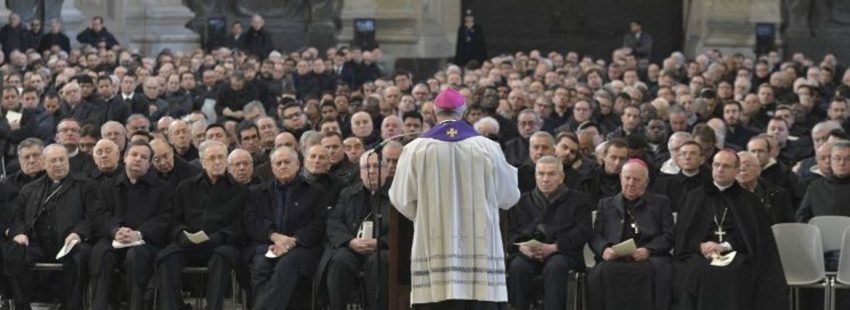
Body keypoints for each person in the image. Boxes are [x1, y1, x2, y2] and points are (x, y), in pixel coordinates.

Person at [389, 88, 520, 309]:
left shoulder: (415, 149)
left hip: (433, 240)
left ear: (433, 112)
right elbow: (509, 196)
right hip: (479, 244)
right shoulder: (488, 147)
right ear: (464, 112)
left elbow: (401, 198)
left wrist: (423, 215)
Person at [674, 150, 787, 310]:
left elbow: (752, 238)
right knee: (696, 269)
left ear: (736, 170)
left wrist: (724, 246)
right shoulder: (694, 197)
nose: (720, 169)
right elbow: (684, 235)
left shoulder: (749, 201)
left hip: (736, 255)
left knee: (737, 270)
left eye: (726, 166)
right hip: (699, 254)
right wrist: (701, 246)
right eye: (717, 165)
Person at [156, 140, 247, 310]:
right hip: (188, 243)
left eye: (221, 157)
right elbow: (175, 220)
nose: (217, 162)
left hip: (221, 244)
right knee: (167, 257)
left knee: (223, 257)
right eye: (212, 158)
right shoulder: (186, 187)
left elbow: (240, 226)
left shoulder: (240, 190)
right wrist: (182, 235)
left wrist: (218, 238)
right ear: (203, 163)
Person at [6, 144, 99, 310]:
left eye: (61, 159)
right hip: (38, 244)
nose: (58, 164)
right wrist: (19, 233)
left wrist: (78, 233)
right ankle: (22, 305)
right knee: (13, 253)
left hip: (69, 243)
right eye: (52, 160)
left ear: (68, 161)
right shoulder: (29, 189)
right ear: (44, 164)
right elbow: (17, 217)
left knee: (81, 255)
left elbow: (93, 217)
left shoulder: (86, 185)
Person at [90, 141, 173, 310]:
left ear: (149, 164)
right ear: (125, 157)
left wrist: (140, 234)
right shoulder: (107, 186)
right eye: (134, 155)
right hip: (113, 239)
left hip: (144, 242)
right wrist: (115, 230)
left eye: (144, 157)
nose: (138, 159)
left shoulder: (162, 189)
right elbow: (99, 214)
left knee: (136, 256)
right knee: (101, 253)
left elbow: (164, 218)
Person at [243, 146, 328, 309]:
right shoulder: (258, 192)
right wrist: (274, 236)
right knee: (260, 264)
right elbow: (251, 222)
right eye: (278, 163)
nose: (282, 166)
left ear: (297, 165)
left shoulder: (314, 191)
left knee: (286, 264)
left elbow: (318, 224)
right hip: (269, 244)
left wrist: (293, 241)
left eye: (287, 162)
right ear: (272, 168)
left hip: (303, 247)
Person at [506, 155, 592, 310]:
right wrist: (521, 247)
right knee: (517, 266)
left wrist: (554, 247)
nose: (545, 179)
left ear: (561, 177)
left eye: (551, 174)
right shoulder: (521, 201)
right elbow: (511, 233)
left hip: (563, 254)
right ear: (535, 176)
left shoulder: (579, 201)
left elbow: (582, 232)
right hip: (528, 255)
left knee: (555, 266)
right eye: (541, 174)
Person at [588, 159, 674, 310]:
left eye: (636, 179)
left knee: (651, 272)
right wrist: (604, 249)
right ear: (621, 178)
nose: (631, 183)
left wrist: (649, 250)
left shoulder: (661, 203)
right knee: (602, 272)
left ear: (646, 182)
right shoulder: (606, 204)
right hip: (614, 259)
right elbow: (595, 235)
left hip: (650, 259)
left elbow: (669, 235)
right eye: (627, 178)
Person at [317, 149, 391, 310]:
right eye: (366, 167)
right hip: (352, 247)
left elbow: (404, 229)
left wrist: (380, 242)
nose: (371, 171)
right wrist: (350, 242)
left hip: (384, 249)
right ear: (360, 172)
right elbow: (334, 221)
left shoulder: (396, 195)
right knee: (339, 261)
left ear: (386, 170)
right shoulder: (347, 193)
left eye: (376, 166)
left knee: (378, 262)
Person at [796, 140, 850, 222]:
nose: (842, 163)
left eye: (848, 159)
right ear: (831, 161)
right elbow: (802, 216)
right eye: (837, 158)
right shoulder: (815, 187)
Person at [736, 151, 795, 224]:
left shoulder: (778, 194)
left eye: (747, 165)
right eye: (737, 166)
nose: (742, 169)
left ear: (759, 170)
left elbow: (788, 225)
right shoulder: (723, 195)